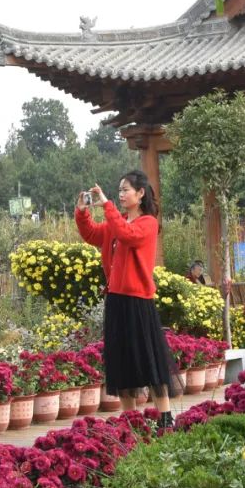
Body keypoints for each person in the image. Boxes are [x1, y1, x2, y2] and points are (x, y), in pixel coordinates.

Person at [75, 170, 178, 428]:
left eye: (126, 190)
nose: (121, 195)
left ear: (140, 194)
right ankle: (130, 423)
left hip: (139, 301)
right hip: (117, 300)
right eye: (119, 190)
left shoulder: (148, 223)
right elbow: (92, 235)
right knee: (121, 362)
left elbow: (127, 236)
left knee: (149, 360)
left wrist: (107, 205)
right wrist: (82, 212)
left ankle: (165, 418)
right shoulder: (117, 221)